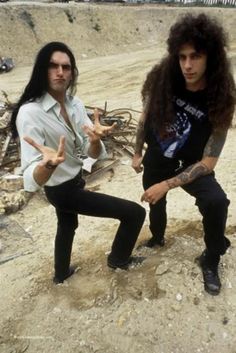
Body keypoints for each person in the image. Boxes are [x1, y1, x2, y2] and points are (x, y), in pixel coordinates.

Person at [11, 41, 146, 284]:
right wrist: (47, 165)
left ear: (72, 73)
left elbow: (90, 151)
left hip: (74, 180)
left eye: (66, 67)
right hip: (60, 189)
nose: (60, 72)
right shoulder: (30, 113)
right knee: (134, 213)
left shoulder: (75, 103)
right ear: (42, 70)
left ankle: (61, 274)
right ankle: (118, 260)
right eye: (53, 66)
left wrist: (95, 140)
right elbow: (31, 176)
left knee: (67, 225)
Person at [132, 13, 236, 295]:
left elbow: (209, 161)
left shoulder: (222, 96)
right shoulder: (164, 80)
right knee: (155, 204)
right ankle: (157, 237)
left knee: (216, 202)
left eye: (196, 56)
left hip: (191, 164)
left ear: (210, 57)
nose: (188, 65)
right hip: (157, 157)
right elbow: (145, 117)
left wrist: (167, 184)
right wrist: (136, 152)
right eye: (182, 57)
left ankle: (211, 258)